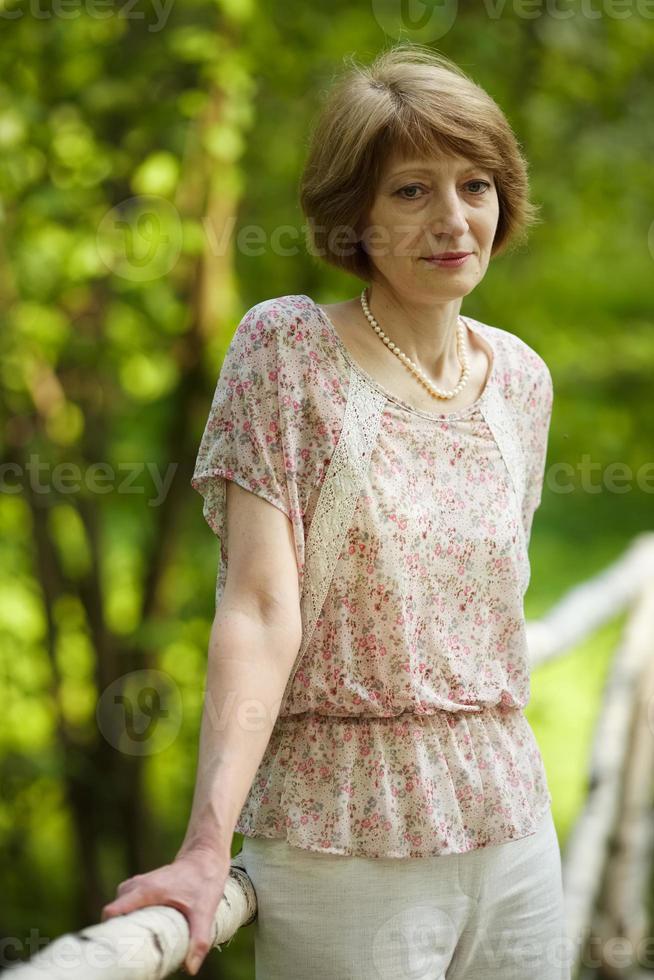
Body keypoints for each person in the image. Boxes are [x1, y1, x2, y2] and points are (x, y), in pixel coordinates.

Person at [102, 42, 572, 979]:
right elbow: (260, 610)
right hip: (344, 839)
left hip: (516, 832)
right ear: (354, 213)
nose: (453, 219)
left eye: (475, 185)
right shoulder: (288, 355)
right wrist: (205, 847)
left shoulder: (520, 377)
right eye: (411, 191)